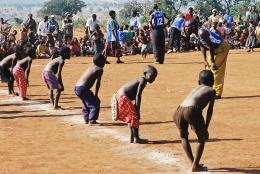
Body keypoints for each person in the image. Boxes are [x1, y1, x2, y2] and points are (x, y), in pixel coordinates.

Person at [173, 70, 216, 172]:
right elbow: (210, 111)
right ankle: (195, 165)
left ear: (198, 82)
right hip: (192, 110)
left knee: (183, 137)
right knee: (201, 139)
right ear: (213, 81)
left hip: (178, 110)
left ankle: (193, 163)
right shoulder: (211, 90)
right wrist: (205, 128)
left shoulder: (196, 87)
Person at [112, 65, 157, 143]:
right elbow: (138, 95)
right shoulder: (142, 80)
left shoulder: (141, 80)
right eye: (152, 76)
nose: (153, 79)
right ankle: (136, 138)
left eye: (155, 77)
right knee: (135, 117)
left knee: (132, 117)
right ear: (145, 73)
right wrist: (138, 110)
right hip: (123, 97)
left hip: (121, 96)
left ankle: (132, 137)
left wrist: (136, 106)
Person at [74, 54, 106, 125]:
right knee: (95, 103)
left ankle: (87, 119)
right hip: (83, 88)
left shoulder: (92, 66)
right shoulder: (99, 69)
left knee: (86, 103)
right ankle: (92, 120)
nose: (104, 63)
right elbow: (98, 84)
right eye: (104, 62)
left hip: (77, 87)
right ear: (100, 62)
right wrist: (96, 95)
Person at [198, 28, 229, 99]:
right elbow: (202, 46)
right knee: (207, 68)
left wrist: (212, 62)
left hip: (223, 47)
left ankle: (217, 93)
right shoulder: (199, 35)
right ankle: (207, 90)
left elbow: (211, 47)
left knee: (216, 68)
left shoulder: (207, 36)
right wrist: (205, 60)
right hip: (214, 48)